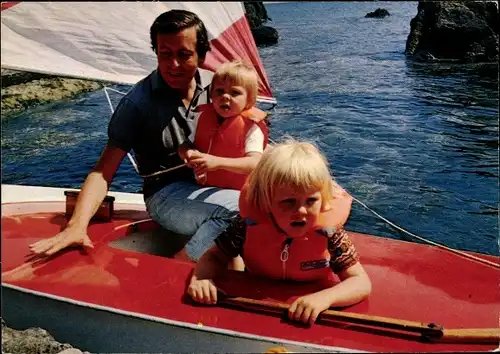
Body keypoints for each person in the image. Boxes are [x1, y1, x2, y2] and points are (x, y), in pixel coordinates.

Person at [29, 9, 241, 263]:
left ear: (202, 55)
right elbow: (103, 171)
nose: (173, 65)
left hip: (210, 187)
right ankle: (180, 266)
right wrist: (76, 226)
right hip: (166, 195)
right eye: (165, 54)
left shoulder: (216, 88)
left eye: (184, 55)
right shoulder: (137, 104)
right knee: (242, 209)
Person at [186, 139, 372, 325]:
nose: (301, 211)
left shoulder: (330, 233)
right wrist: (201, 278)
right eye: (289, 202)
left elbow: (360, 282)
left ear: (322, 200)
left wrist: (325, 298)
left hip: (305, 316)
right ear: (266, 202)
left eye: (311, 201)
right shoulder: (246, 226)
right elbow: (214, 256)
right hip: (255, 308)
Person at [179, 60, 269, 191]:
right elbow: (185, 145)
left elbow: (254, 163)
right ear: (211, 95)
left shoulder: (251, 128)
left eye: (235, 93)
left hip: (241, 192)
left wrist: (218, 163)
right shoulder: (203, 118)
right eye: (219, 91)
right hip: (207, 187)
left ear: (249, 100)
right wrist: (188, 152)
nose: (225, 96)